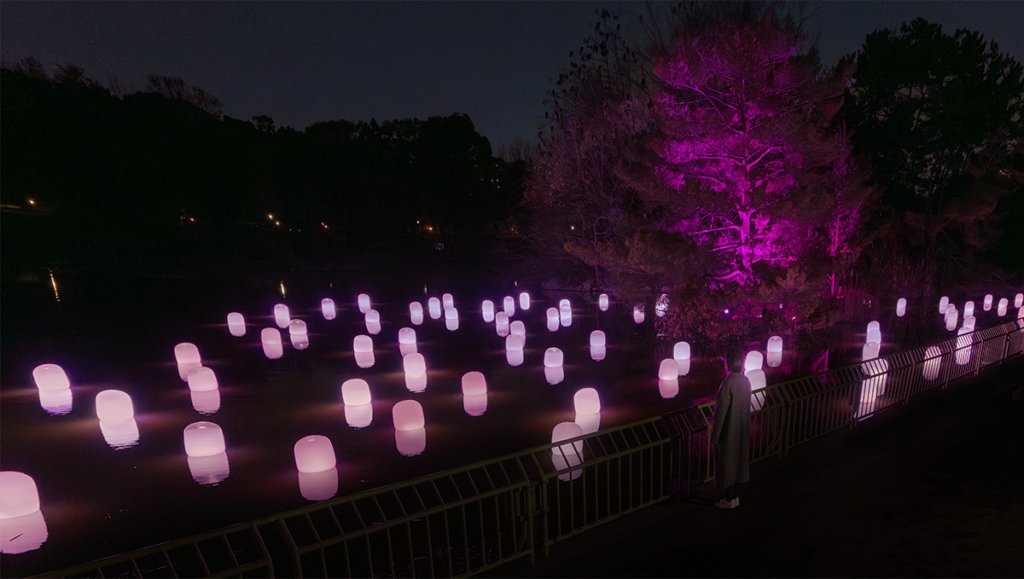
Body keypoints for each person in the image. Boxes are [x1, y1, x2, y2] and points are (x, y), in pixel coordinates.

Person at [710, 346, 751, 509]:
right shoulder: (745, 381)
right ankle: (735, 497)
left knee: (727, 463)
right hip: (742, 428)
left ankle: (728, 500)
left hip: (729, 430)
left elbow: (720, 412)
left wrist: (715, 436)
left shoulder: (727, 384)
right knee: (740, 463)